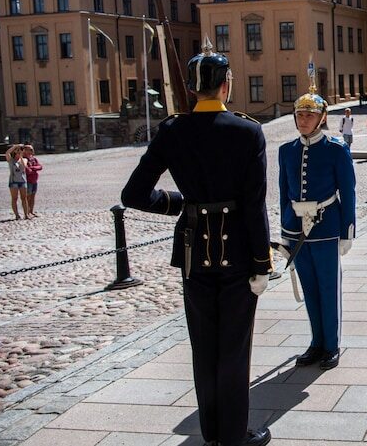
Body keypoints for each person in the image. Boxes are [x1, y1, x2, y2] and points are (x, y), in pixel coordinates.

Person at [121, 42, 272, 446]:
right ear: (226, 86)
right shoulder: (247, 131)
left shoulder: (173, 130)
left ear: (193, 89)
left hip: (193, 254)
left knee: (204, 346)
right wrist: (262, 262)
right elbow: (254, 205)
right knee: (235, 349)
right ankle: (235, 433)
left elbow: (134, 194)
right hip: (239, 254)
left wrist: (179, 204)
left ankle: (211, 433)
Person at [279, 80, 356, 372]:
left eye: (309, 115)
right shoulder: (286, 151)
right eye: (299, 114)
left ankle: (332, 345)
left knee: (328, 288)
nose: (303, 119)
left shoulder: (336, 150)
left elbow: (347, 192)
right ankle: (316, 342)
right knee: (310, 289)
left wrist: (348, 231)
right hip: (297, 230)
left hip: (326, 228)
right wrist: (285, 233)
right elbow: (284, 192)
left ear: (322, 117)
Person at [5, 144, 29, 221]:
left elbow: (23, 166)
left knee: (24, 198)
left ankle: (26, 214)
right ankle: (17, 215)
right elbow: (7, 153)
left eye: (20, 150)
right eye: (17, 150)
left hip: (22, 181)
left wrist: (21, 156)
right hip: (13, 181)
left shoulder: (24, 160)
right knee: (14, 198)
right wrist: (15, 147)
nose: (18, 151)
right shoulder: (11, 160)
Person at [23, 145, 43, 217]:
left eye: (32, 149)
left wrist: (33, 168)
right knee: (28, 197)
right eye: (30, 149)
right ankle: (27, 212)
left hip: (34, 180)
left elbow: (40, 167)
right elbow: (27, 171)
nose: (32, 151)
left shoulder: (33, 159)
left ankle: (31, 211)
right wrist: (34, 169)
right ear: (25, 150)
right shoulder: (23, 159)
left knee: (33, 196)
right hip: (28, 181)